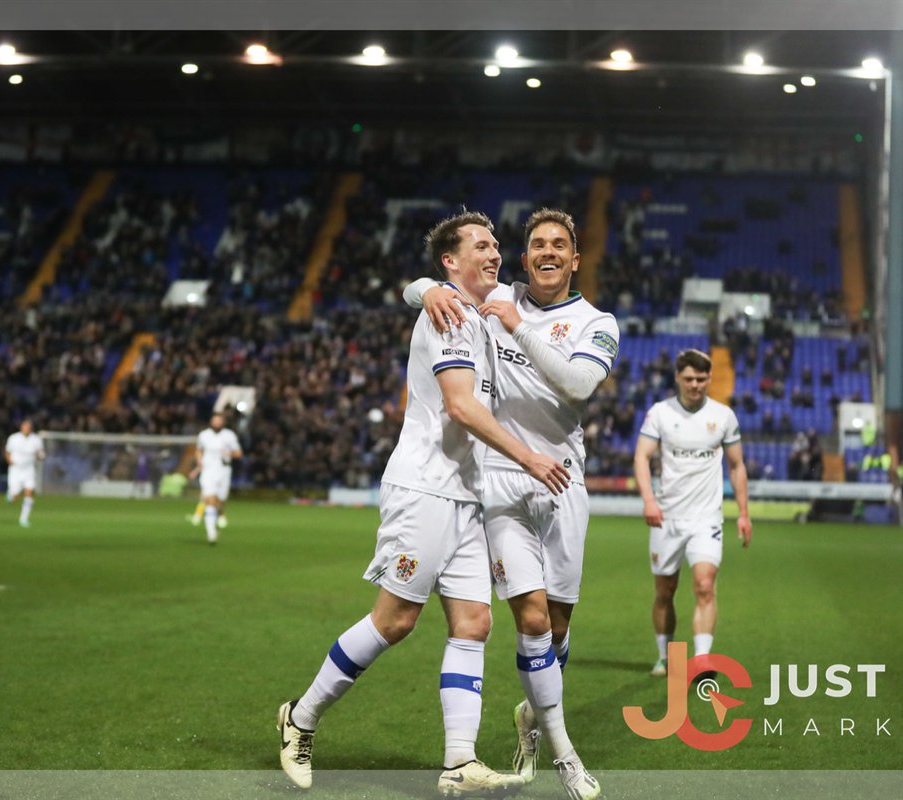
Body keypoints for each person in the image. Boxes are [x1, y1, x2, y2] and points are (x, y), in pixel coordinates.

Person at [278, 211, 570, 795]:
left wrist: (423, 287)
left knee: (474, 622)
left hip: (465, 494)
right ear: (450, 261)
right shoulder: (449, 316)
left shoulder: (477, 313)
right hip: (424, 488)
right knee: (395, 620)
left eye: (496, 246)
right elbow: (461, 407)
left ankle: (459, 761)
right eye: (481, 247)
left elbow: (417, 288)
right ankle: (300, 718)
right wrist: (529, 458)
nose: (495, 255)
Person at [405, 208, 616, 799]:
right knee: (529, 619)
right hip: (499, 480)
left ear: (575, 259)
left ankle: (532, 715)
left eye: (560, 245)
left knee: (558, 627)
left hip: (564, 482)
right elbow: (432, 281)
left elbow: (577, 385)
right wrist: (424, 290)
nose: (547, 252)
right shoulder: (498, 291)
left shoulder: (598, 322)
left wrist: (518, 326)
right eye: (537, 245)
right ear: (525, 259)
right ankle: (565, 755)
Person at [632, 350, 752, 678]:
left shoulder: (724, 416)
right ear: (677, 378)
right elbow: (642, 457)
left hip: (707, 518)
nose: (695, 385)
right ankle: (664, 656)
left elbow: (737, 465)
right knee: (664, 591)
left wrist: (743, 512)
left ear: (710, 379)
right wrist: (648, 501)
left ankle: (701, 660)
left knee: (704, 584)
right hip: (667, 517)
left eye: (701, 379)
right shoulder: (659, 414)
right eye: (689, 379)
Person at [188, 413, 243, 545]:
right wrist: (199, 462)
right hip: (208, 470)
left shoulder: (229, 435)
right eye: (215, 420)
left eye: (219, 421)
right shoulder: (204, 435)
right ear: (211, 422)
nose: (217, 423)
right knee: (210, 499)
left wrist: (229, 453)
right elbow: (199, 450)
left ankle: (220, 514)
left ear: (223, 422)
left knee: (220, 499)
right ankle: (211, 532)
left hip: (224, 470)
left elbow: (239, 454)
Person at [4, 419, 45, 528]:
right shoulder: (13, 438)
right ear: (21, 427)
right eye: (25, 426)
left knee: (29, 492)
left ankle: (24, 519)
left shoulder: (36, 439)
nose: (27, 429)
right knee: (15, 497)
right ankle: (11, 496)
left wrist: (41, 455)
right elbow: (7, 452)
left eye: (29, 427)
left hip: (29, 470)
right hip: (16, 470)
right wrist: (10, 461)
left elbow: (40, 452)